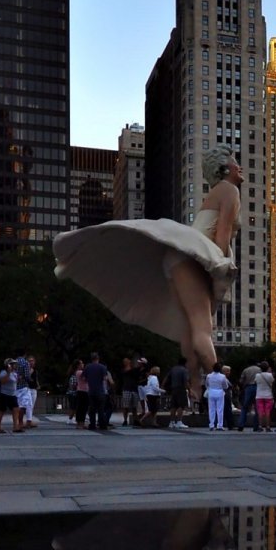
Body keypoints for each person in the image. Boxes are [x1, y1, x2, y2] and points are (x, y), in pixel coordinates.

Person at [52, 149, 241, 387]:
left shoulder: (216, 192)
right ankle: (218, 388)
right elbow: (222, 234)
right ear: (224, 169)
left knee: (189, 328)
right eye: (235, 164)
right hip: (191, 255)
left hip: (177, 258)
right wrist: (221, 269)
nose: (239, 168)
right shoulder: (229, 189)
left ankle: (194, 389)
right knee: (203, 326)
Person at [83, 353, 112, 430]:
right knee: (101, 409)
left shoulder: (87, 367)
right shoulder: (102, 367)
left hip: (91, 391)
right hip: (100, 391)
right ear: (98, 358)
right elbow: (105, 378)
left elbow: (84, 379)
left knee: (92, 409)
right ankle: (102, 425)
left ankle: (92, 424)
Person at [0, 360, 22, 434]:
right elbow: (3, 382)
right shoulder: (4, 372)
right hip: (3, 394)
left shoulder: (14, 373)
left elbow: (15, 382)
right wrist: (8, 373)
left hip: (12, 394)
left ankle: (15, 426)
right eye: (14, 364)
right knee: (2, 409)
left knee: (16, 409)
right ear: (9, 365)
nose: (15, 366)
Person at [204, 363, 230, 430]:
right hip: (220, 392)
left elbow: (206, 384)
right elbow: (225, 386)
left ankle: (211, 425)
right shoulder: (222, 376)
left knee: (211, 409)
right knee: (220, 409)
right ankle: (220, 425)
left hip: (211, 392)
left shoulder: (209, 376)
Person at [166, 361, 190, 429]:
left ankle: (171, 422)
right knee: (181, 406)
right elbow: (186, 380)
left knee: (173, 406)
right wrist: (189, 389)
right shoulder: (184, 370)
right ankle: (179, 422)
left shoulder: (173, 369)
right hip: (181, 389)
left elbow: (167, 378)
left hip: (173, 389)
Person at [238, 362, 261, 432]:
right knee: (257, 408)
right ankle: (256, 426)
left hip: (248, 388)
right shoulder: (259, 369)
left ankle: (241, 425)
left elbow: (241, 381)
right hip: (257, 387)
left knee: (245, 407)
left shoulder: (246, 370)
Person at [254, 361, 275, 430]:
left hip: (259, 395)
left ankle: (260, 426)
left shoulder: (257, 375)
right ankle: (268, 426)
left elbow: (255, 382)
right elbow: (272, 383)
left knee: (260, 411)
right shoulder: (270, 375)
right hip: (268, 395)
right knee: (267, 411)